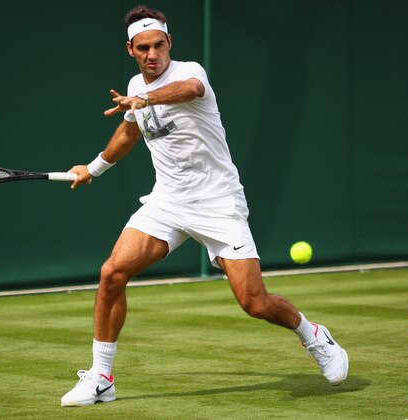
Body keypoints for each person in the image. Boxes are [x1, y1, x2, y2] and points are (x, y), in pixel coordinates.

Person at [61, 5, 348, 407]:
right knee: (112, 273)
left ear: (170, 43)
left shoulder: (189, 73)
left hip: (218, 202)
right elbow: (128, 135)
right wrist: (93, 168)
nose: (152, 54)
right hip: (168, 201)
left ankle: (314, 336)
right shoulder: (134, 86)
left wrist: (143, 98)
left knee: (254, 303)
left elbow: (191, 91)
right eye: (143, 48)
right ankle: (101, 378)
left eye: (159, 45)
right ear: (131, 49)